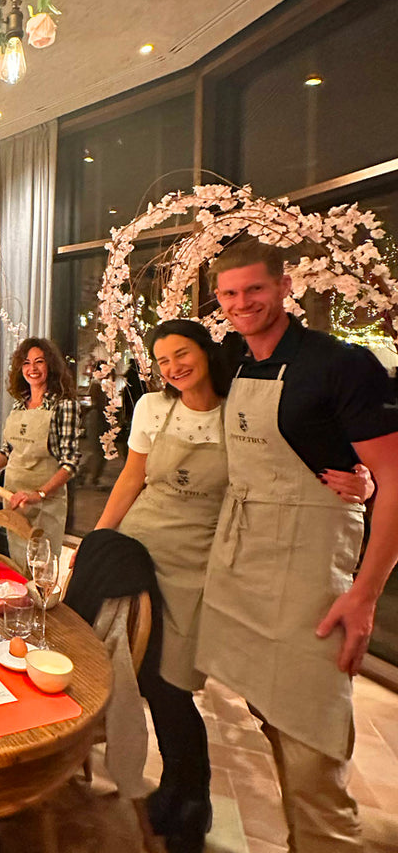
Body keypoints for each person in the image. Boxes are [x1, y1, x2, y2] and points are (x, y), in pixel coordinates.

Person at [197, 239, 398, 853]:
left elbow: (393, 480)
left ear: (285, 286)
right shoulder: (231, 360)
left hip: (311, 565)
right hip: (244, 558)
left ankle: (327, 838)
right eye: (229, 294)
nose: (241, 304)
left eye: (254, 289)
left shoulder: (342, 364)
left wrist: (364, 595)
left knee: (311, 727)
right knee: (269, 713)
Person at [0, 337, 81, 564]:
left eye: (39, 361)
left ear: (50, 365)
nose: (32, 368)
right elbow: (8, 451)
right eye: (26, 363)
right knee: (15, 561)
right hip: (13, 498)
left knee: (40, 565)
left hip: (45, 503)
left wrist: (38, 494)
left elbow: (70, 463)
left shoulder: (64, 405)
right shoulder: (19, 404)